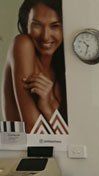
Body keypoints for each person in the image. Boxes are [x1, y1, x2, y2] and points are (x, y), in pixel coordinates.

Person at [2, 0, 67, 133]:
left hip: (59, 153)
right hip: (23, 153)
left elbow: (76, 139)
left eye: (55, 26)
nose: (45, 36)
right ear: (26, 25)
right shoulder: (22, 44)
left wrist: (48, 108)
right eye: (37, 25)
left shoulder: (62, 64)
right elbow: (34, 131)